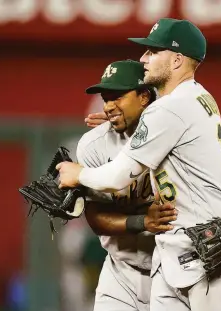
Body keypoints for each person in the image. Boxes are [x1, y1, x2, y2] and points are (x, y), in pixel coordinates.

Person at [57, 18, 221, 311]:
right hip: (172, 260)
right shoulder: (199, 98)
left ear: (177, 60)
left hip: (213, 262)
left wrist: (78, 174)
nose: (144, 59)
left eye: (153, 52)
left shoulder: (170, 109)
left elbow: (117, 176)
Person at [77, 59, 178, 311]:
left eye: (117, 97)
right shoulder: (94, 146)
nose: (109, 105)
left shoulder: (180, 136)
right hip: (120, 274)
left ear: (144, 97)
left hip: (173, 273)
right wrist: (142, 222)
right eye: (106, 98)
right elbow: (95, 216)